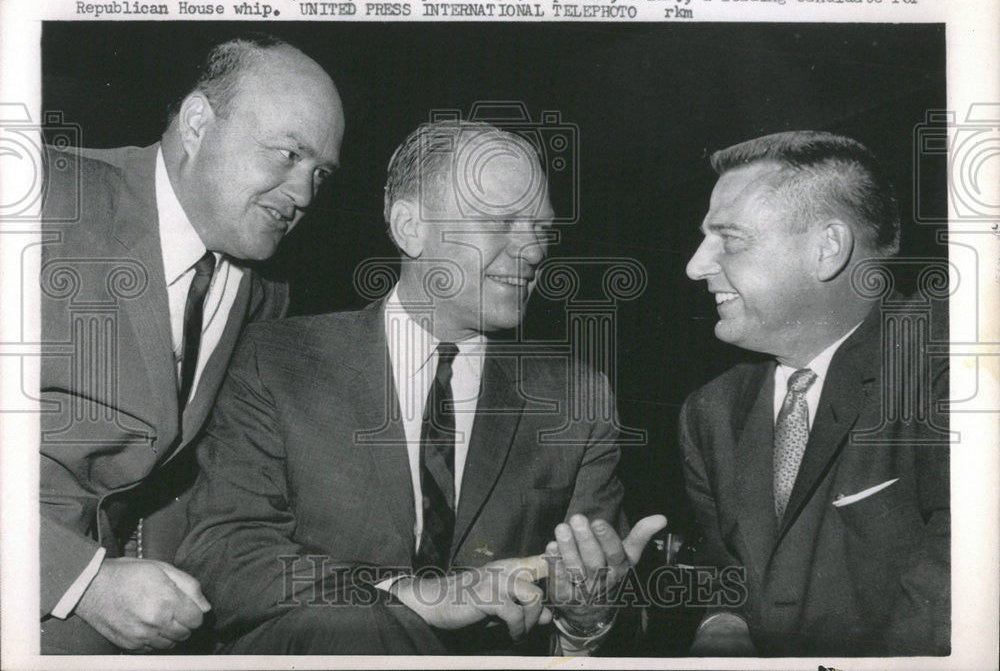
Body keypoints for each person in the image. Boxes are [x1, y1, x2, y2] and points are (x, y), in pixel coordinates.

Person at [176, 120, 665, 655]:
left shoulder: (577, 398)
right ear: (410, 227)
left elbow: (615, 606)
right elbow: (228, 555)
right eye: (501, 221)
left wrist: (585, 619)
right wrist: (410, 598)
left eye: (541, 228)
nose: (531, 251)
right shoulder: (277, 361)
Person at [39, 33, 345, 654]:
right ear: (198, 124)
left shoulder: (264, 289)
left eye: (319, 172)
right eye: (287, 155)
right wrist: (82, 581)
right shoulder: (40, 195)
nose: (305, 195)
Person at [678, 131, 950, 656]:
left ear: (827, 248)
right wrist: (720, 625)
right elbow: (722, 566)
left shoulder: (953, 366)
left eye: (729, 239)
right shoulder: (710, 412)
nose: (695, 266)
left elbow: (958, 597)